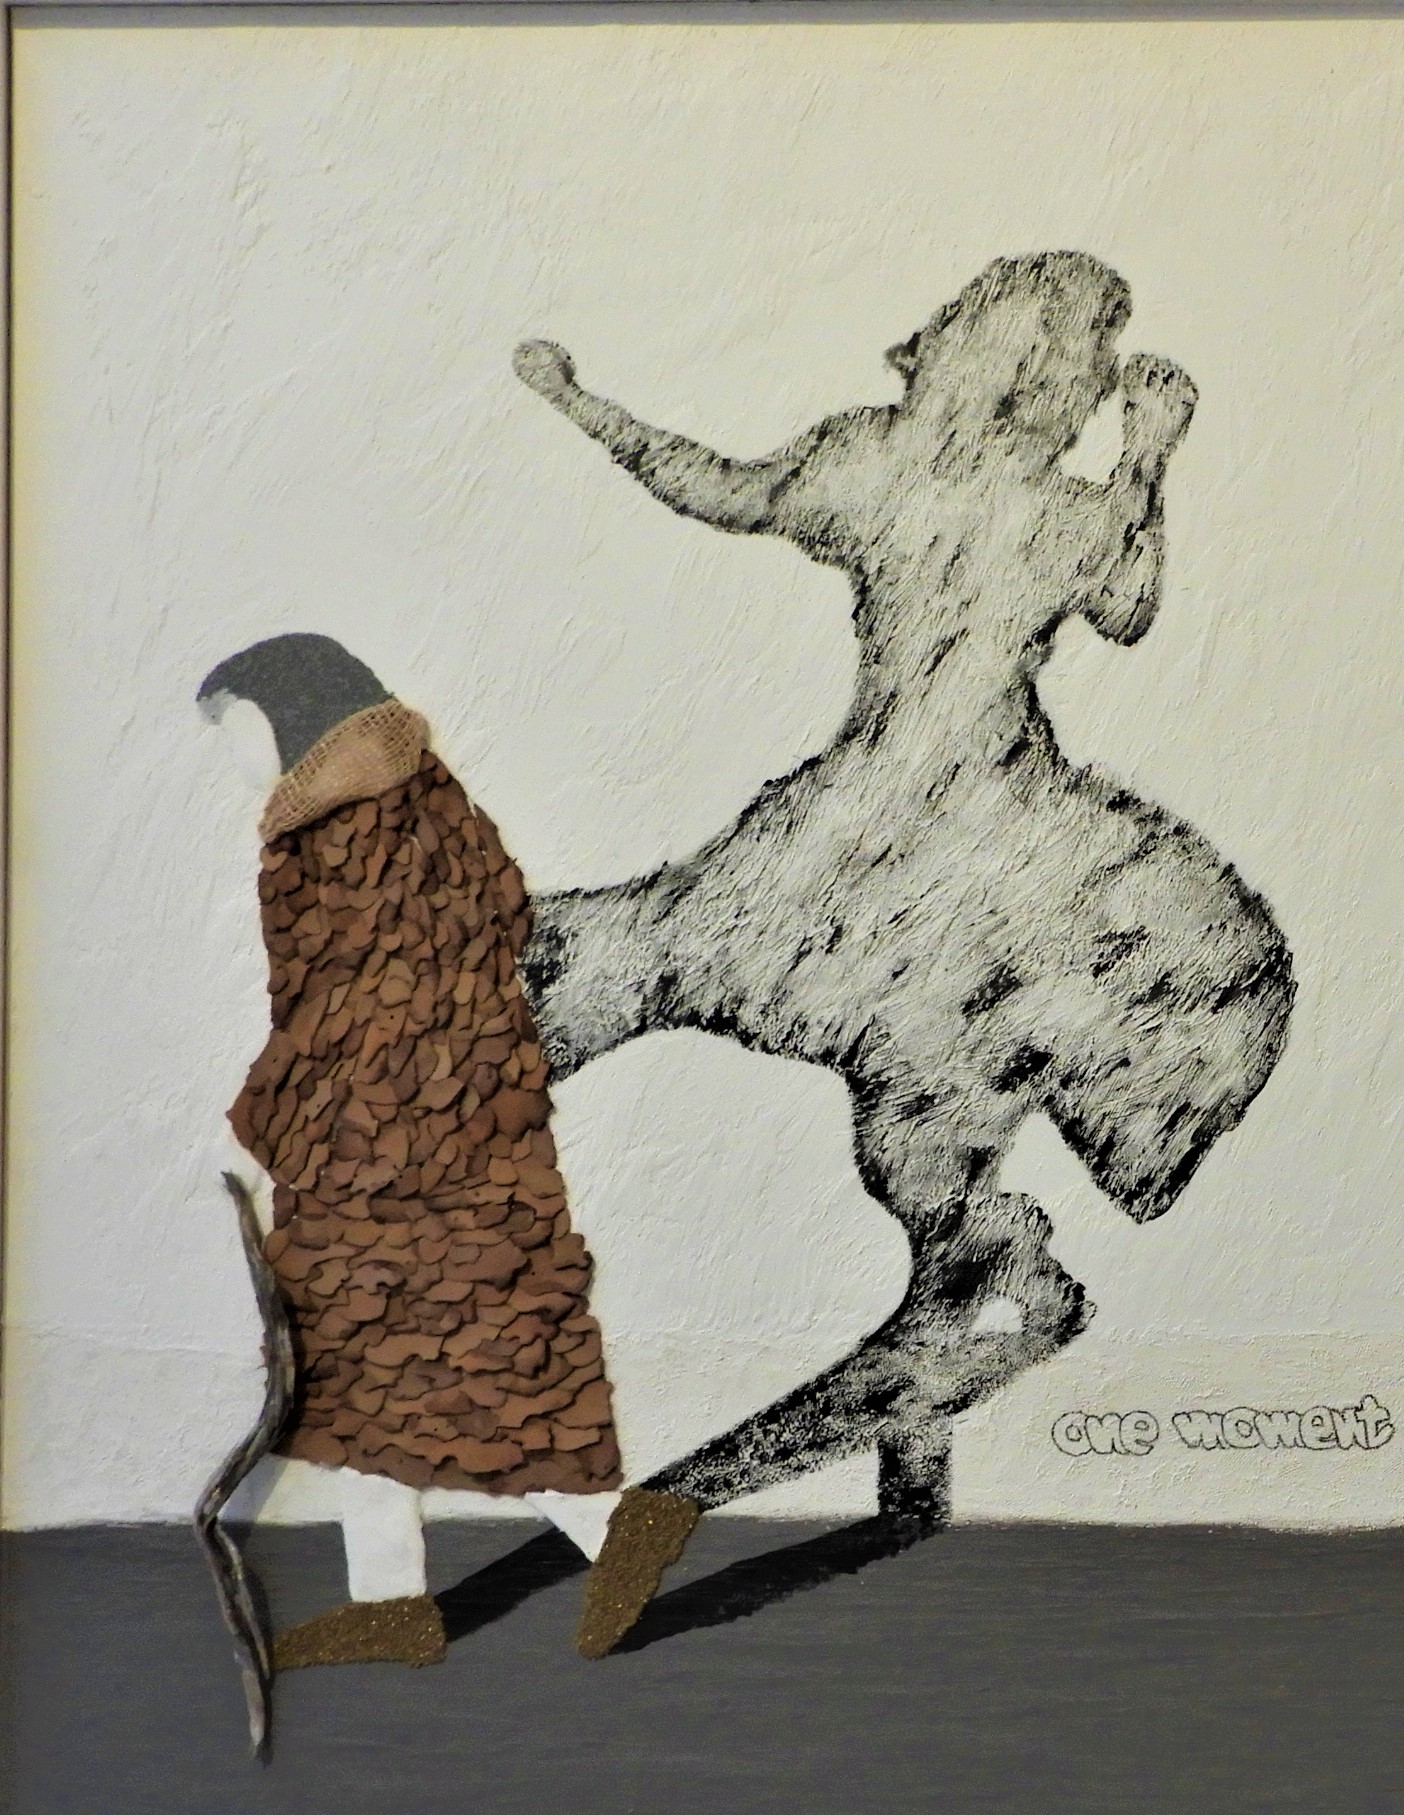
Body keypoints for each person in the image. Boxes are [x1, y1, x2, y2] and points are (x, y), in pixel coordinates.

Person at [509, 253, 1293, 1652]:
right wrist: (1147, 455)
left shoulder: (873, 462)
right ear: (1047, 376)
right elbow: (1127, 601)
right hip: (981, 860)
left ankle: (876, 1469)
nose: (1092, 391)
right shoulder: (1046, 505)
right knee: (928, 1174)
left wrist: (589, 409)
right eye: (1088, 369)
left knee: (637, 971)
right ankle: (838, 1457)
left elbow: (720, 487)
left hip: (891, 847)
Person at [202, 632, 626, 1669]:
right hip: (409, 1143)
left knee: (466, 1369)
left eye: (241, 729)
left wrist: (256, 1127)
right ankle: (391, 1600)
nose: (237, 755)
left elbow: (338, 1011)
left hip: (395, 1161)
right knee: (372, 1378)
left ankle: (620, 1534)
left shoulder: (348, 831)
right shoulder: (413, 802)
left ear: (296, 720)